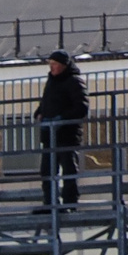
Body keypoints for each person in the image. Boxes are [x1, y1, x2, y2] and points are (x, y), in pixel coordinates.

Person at [36, 50, 87, 209]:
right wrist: (39, 114)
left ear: (64, 66)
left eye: (55, 64)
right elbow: (45, 103)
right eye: (50, 64)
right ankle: (50, 203)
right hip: (49, 135)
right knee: (47, 171)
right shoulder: (51, 82)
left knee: (69, 169)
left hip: (67, 134)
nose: (52, 68)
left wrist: (62, 119)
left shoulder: (74, 81)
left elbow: (81, 108)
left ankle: (70, 203)